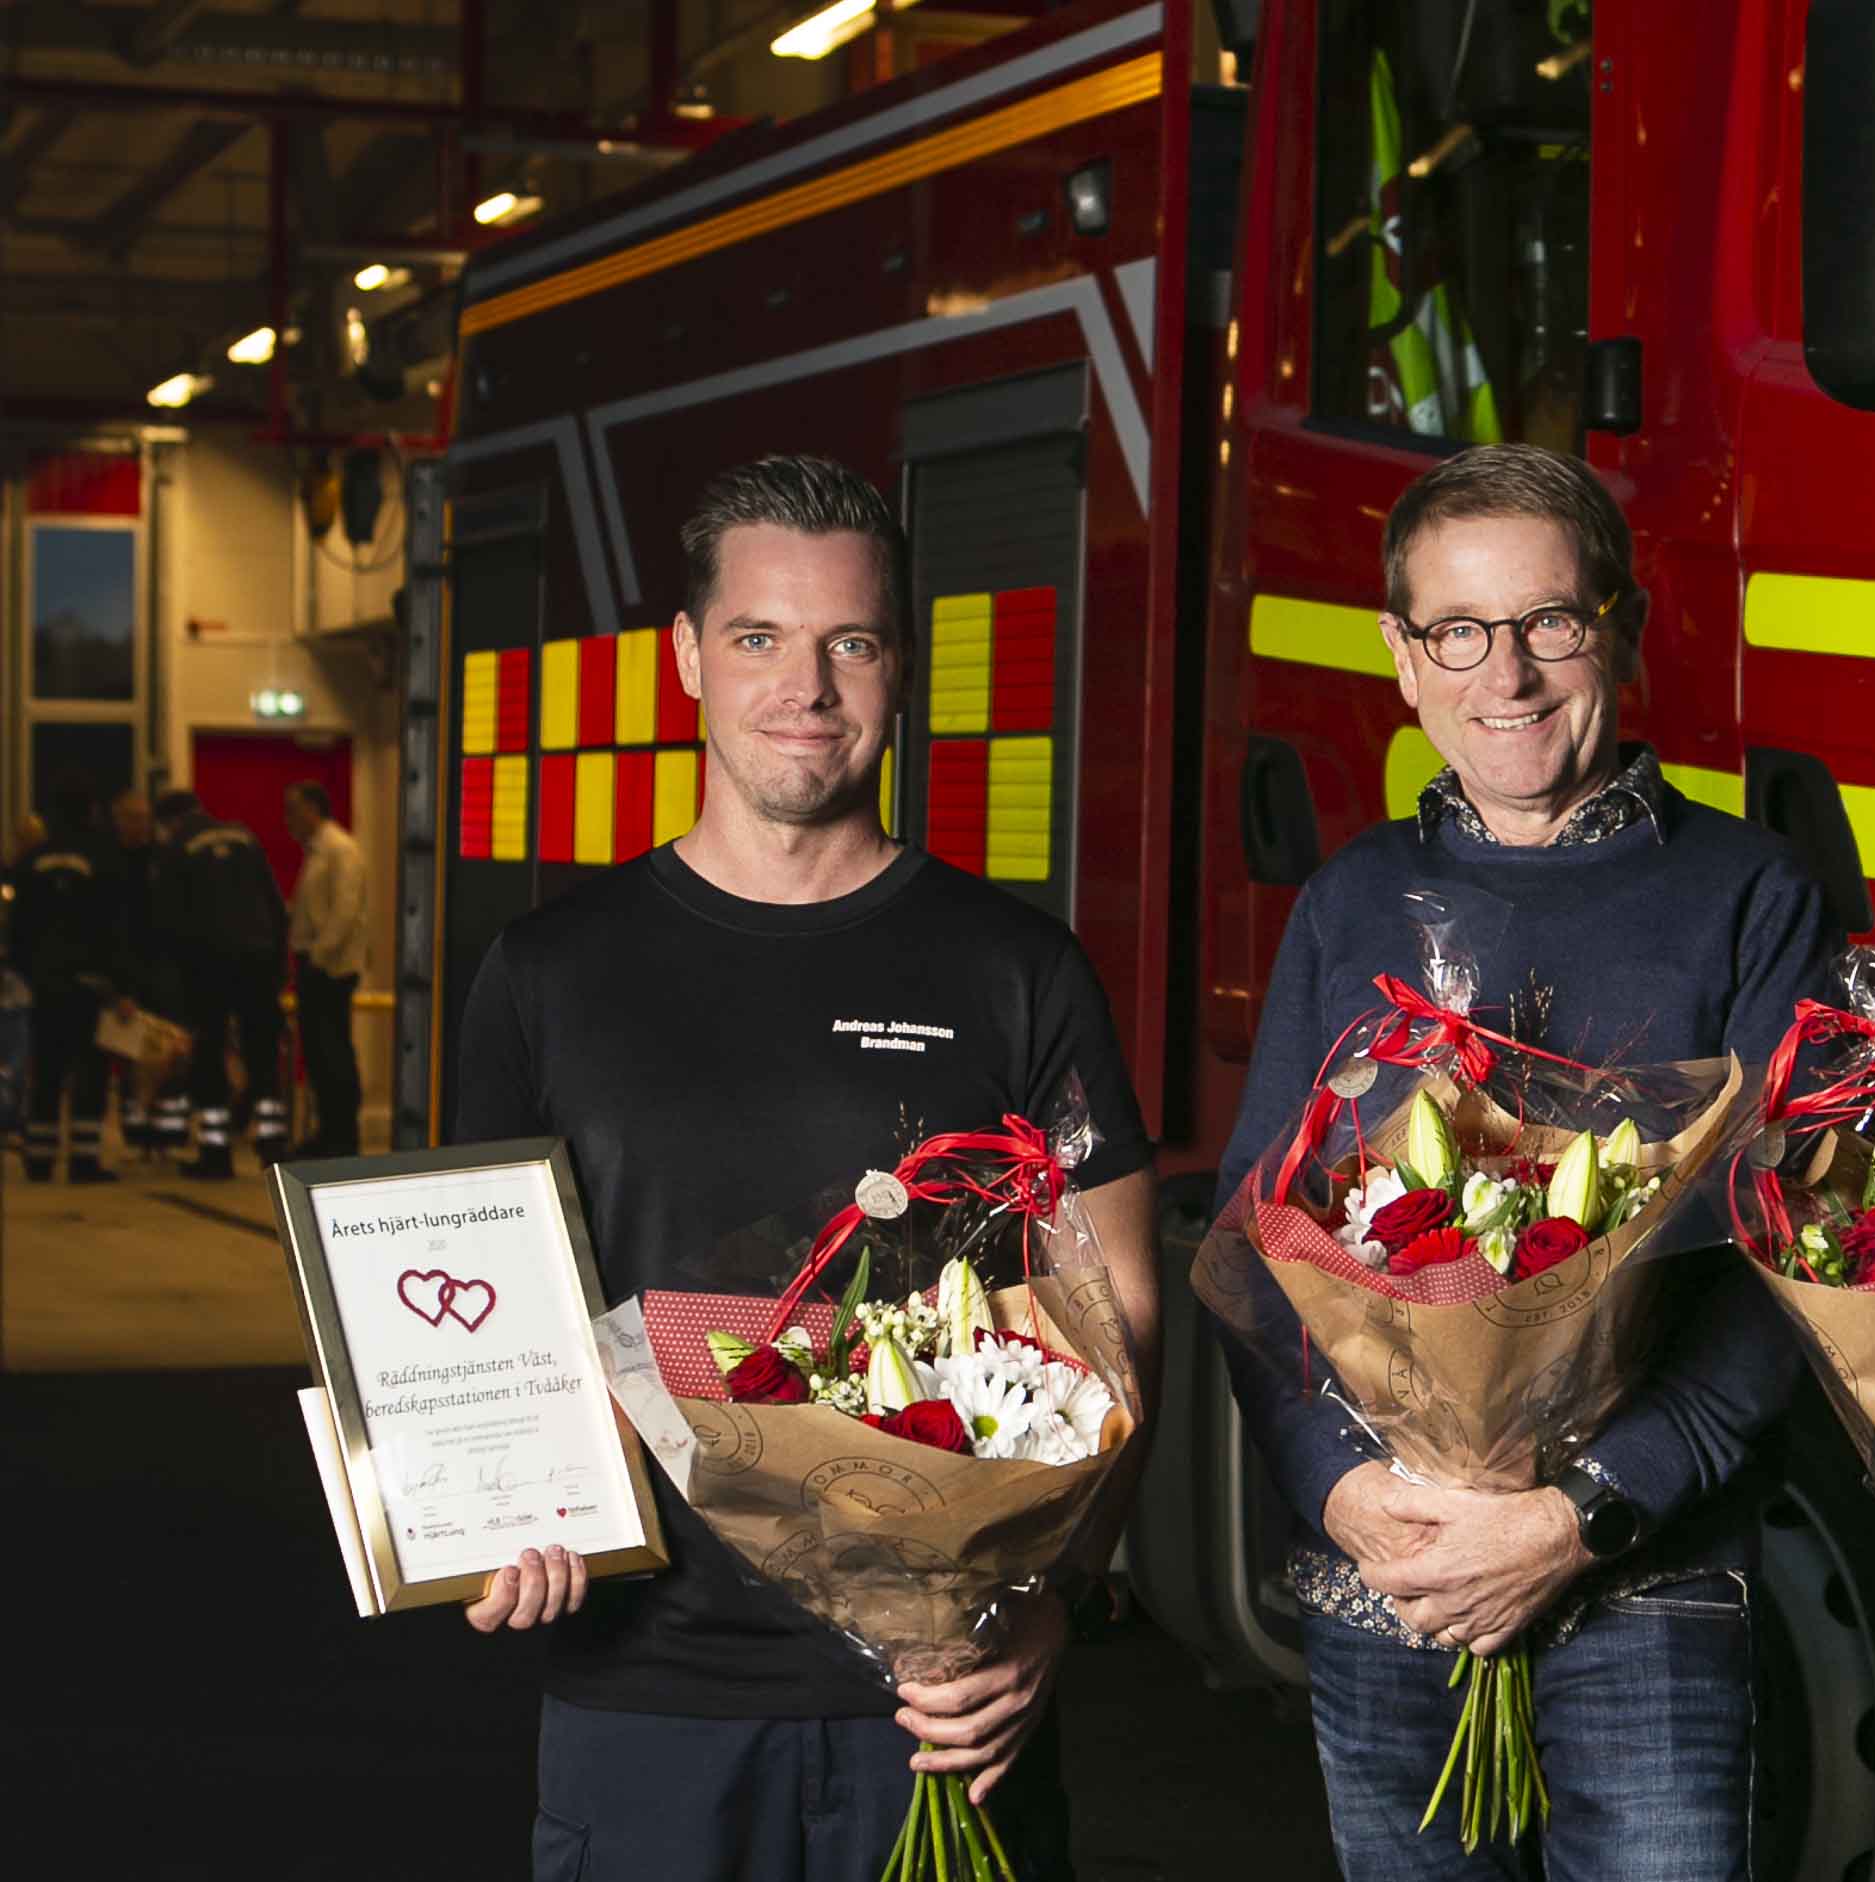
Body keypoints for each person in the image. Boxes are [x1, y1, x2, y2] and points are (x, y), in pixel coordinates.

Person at [452, 455, 1160, 1882]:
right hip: (643, 1687)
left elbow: (1125, 1311)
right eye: (759, 639)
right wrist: (487, 1502)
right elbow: (474, 1292)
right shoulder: (547, 974)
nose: (807, 686)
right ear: (688, 661)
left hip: (936, 1702)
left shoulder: (1017, 970)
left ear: (901, 668)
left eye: (852, 642)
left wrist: (1049, 1603)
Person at [1212, 443, 1836, 1882]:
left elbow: (1783, 1260)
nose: (1509, 673)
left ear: (1616, 623)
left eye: (1550, 620)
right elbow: (1257, 1242)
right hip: (1394, 1565)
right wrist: (1338, 1490)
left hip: (1649, 1571)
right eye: (1459, 631)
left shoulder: (1751, 894)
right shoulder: (1351, 900)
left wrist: (1583, 1509)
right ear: (1402, 656)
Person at [151, 787, 290, 1178]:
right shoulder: (245, 836)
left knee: (209, 1055)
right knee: (262, 1053)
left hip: (208, 966)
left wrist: (175, 985)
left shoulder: (177, 846)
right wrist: (278, 965)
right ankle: (273, 1145)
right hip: (259, 963)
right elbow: (274, 903)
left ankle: (216, 1153)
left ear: (170, 821)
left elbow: (169, 918)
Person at [5, 785, 129, 1183]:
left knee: (48, 1071)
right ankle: (83, 1160)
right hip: (89, 984)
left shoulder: (32, 862)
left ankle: (39, 1159)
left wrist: (28, 973)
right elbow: (116, 926)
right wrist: (119, 983)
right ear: (91, 811)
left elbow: (18, 927)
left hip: (44, 984)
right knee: (90, 1072)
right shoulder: (103, 859)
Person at [284, 780, 366, 1157]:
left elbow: (344, 910)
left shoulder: (339, 849)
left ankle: (342, 1134)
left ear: (313, 809)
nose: (288, 820)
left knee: (333, 1051)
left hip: (330, 967)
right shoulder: (317, 851)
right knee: (317, 1053)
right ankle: (326, 1130)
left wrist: (319, 956)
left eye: (294, 810)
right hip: (314, 961)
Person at [107, 789, 186, 1157]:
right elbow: (110, 929)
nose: (139, 825)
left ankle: (168, 1136)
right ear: (118, 819)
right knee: (131, 1060)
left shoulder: (164, 860)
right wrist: (119, 986)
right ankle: (137, 1134)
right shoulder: (110, 863)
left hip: (163, 973)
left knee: (167, 1057)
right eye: (131, 817)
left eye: (144, 817)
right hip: (128, 975)